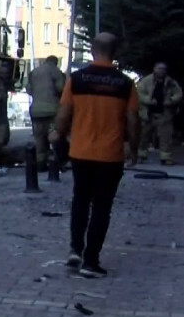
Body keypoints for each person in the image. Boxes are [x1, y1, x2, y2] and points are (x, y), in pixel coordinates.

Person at [50, 32, 139, 278]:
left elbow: (64, 113)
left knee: (80, 201)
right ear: (115, 52)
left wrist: (58, 134)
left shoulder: (77, 80)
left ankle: (75, 249)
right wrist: (134, 146)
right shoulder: (125, 84)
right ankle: (91, 261)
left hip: (81, 151)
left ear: (92, 50)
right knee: (101, 207)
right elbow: (132, 120)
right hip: (110, 155)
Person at [136, 62, 183, 165]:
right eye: (159, 68)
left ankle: (165, 157)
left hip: (165, 113)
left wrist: (170, 100)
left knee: (166, 136)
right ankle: (141, 155)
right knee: (144, 136)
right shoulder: (146, 81)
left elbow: (178, 94)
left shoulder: (171, 82)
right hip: (148, 113)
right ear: (154, 69)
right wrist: (149, 100)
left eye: (163, 69)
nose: (161, 71)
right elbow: (140, 93)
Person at [26, 56, 66, 165]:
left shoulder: (34, 72)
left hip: (36, 110)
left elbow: (29, 90)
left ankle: (40, 162)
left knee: (39, 138)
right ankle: (56, 162)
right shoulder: (55, 71)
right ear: (55, 62)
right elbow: (61, 88)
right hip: (52, 110)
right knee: (55, 136)